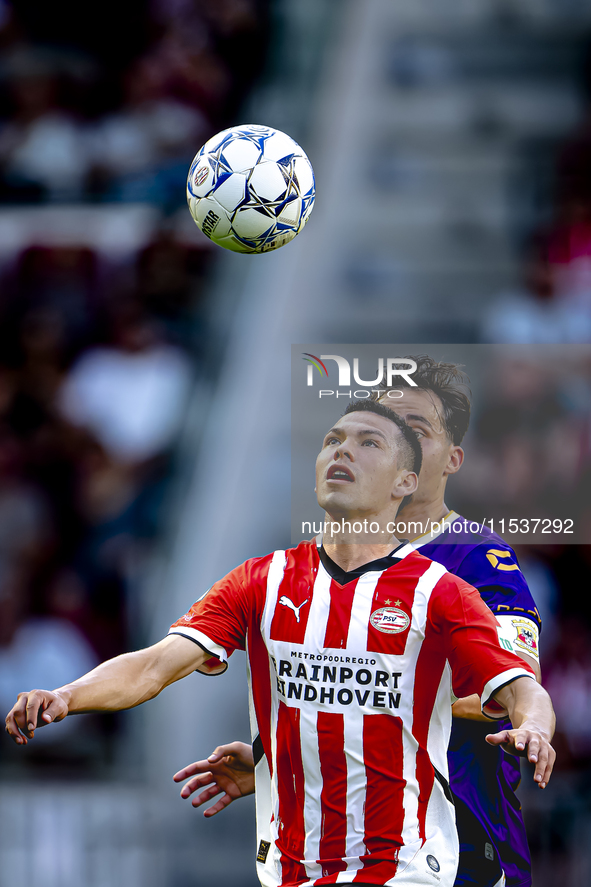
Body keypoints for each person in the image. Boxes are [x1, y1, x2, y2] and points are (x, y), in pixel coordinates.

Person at [5, 400, 555, 887]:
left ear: (405, 481)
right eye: (332, 441)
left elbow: (521, 688)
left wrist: (532, 727)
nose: (343, 451)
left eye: (369, 443)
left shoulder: (444, 592)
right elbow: (154, 665)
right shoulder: (260, 581)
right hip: (290, 870)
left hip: (405, 867)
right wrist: (68, 696)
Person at [175, 358, 544, 887]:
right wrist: (284, 749)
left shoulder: (479, 561)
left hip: (462, 843)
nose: (395, 439)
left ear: (450, 460)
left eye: (415, 431)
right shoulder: (324, 568)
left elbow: (509, 690)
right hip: (351, 851)